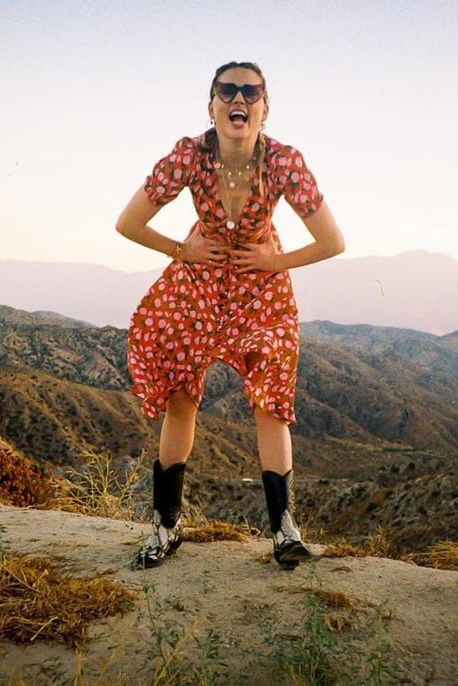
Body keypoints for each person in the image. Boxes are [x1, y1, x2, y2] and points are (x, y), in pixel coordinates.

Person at [116, 61, 345, 570]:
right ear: (212, 104)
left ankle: (285, 531)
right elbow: (128, 222)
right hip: (198, 283)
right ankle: (166, 525)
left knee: (271, 404)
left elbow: (333, 240)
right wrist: (182, 250)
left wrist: (273, 260)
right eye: (227, 91)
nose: (238, 99)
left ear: (265, 107)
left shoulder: (284, 162)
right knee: (180, 398)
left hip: (261, 290)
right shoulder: (189, 157)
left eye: (250, 92)